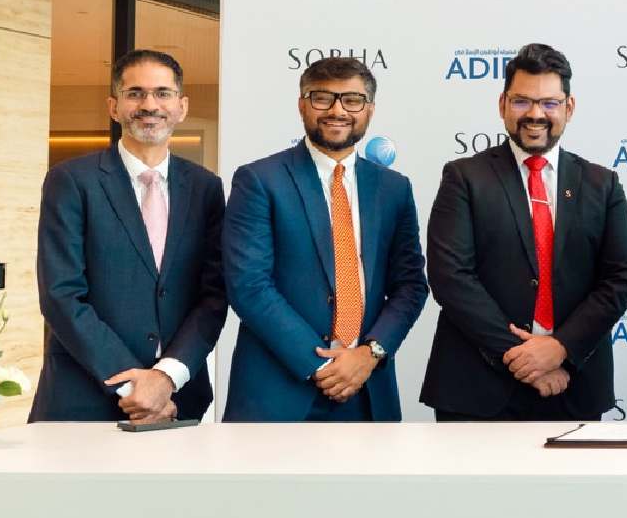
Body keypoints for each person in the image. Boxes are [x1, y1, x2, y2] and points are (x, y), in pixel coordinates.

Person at [421, 43, 627, 421]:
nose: (535, 114)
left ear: (569, 108)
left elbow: (620, 279)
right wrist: (521, 356)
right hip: (476, 388)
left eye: (549, 103)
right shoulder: (464, 178)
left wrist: (560, 349)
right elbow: (450, 277)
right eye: (522, 101)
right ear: (503, 104)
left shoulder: (602, 184)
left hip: (573, 384)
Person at [223, 57, 428, 421]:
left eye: (352, 100)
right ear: (302, 104)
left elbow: (410, 285)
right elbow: (249, 286)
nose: (337, 111)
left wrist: (370, 354)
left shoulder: (393, 188)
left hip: (367, 389)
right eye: (322, 98)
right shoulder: (260, 180)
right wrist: (322, 366)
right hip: (280, 390)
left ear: (370, 109)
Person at [32, 50, 227, 424]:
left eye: (163, 93)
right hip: (82, 398)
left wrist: (166, 377)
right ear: (114, 106)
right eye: (135, 93)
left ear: (181, 106)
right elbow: (61, 295)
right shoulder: (72, 181)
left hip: (178, 400)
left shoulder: (205, 188)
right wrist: (134, 386)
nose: (149, 104)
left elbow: (214, 295)